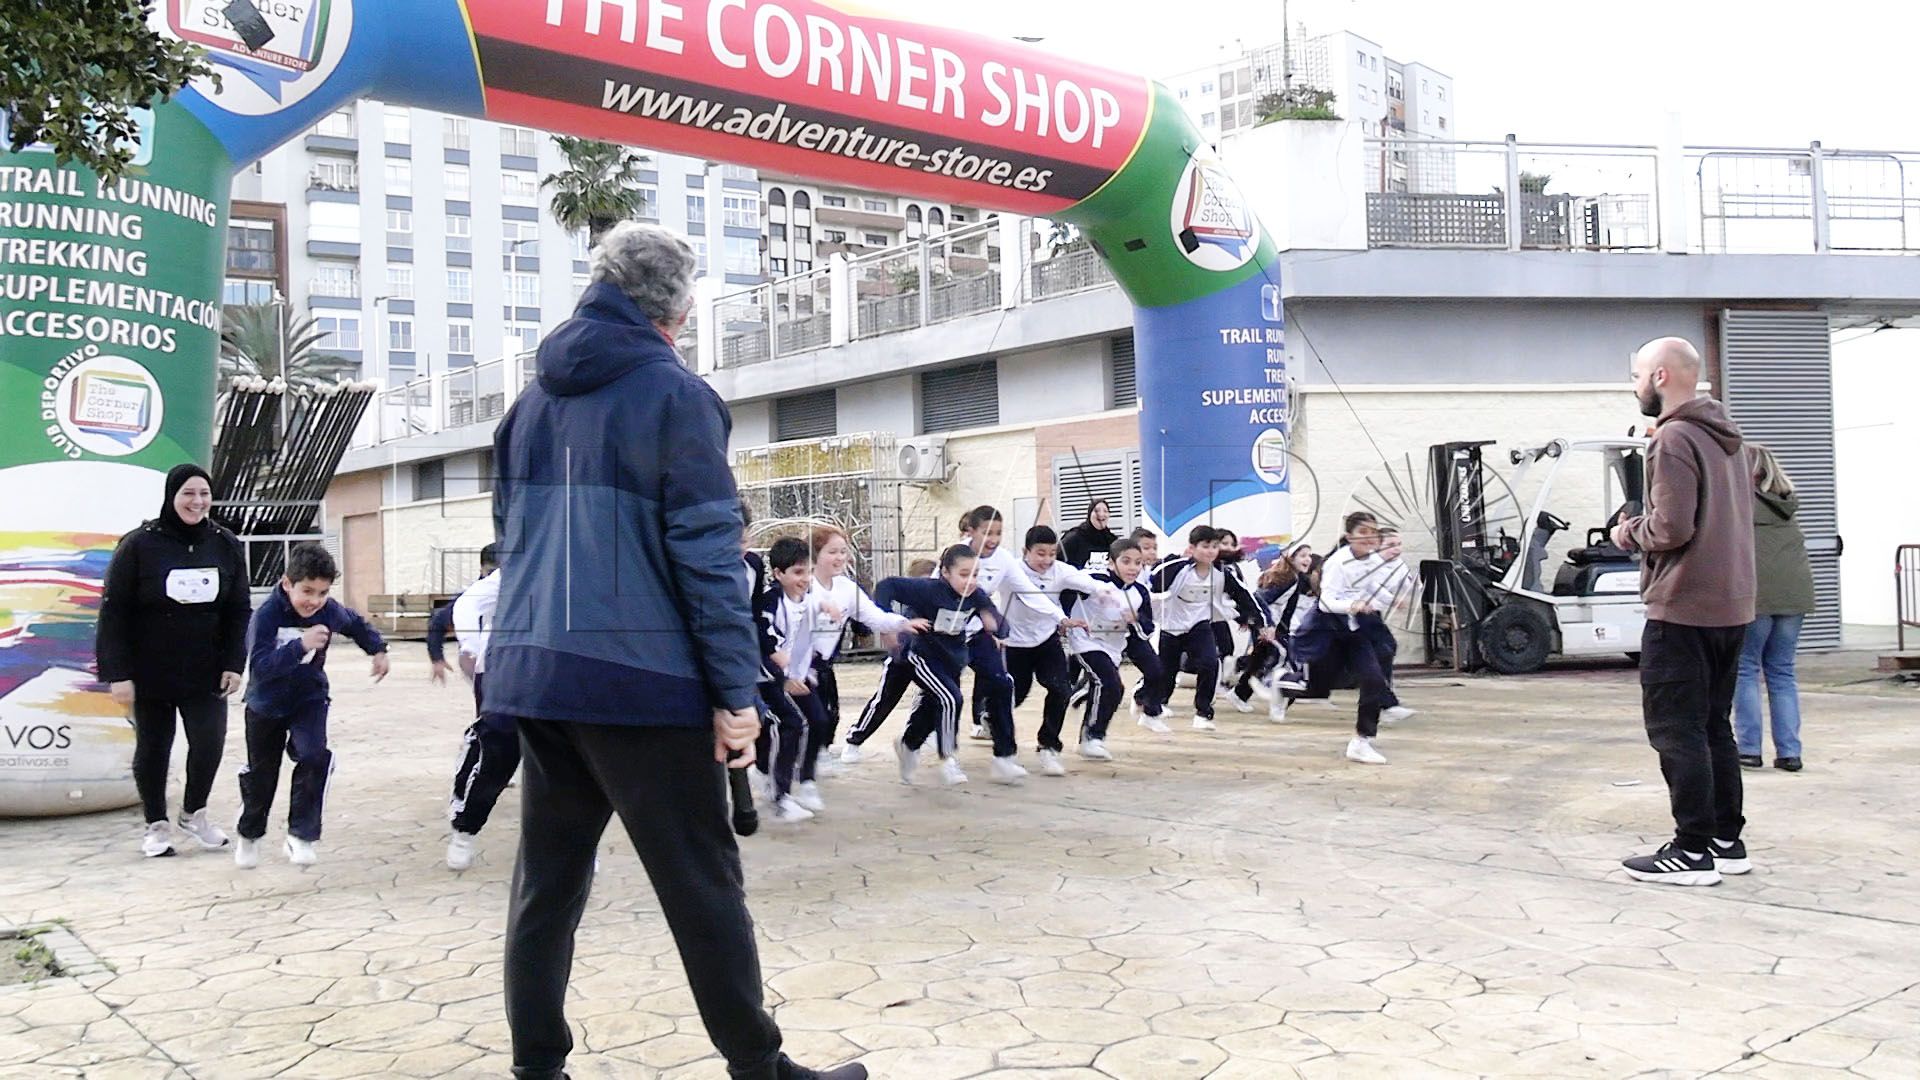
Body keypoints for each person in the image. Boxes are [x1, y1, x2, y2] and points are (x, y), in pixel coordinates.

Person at [485, 223, 865, 1080]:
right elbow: (708, 556)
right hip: (642, 679)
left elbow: (509, 540)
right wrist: (736, 693)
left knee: (546, 884)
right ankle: (759, 1068)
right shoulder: (676, 396)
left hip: (537, 672)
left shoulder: (528, 406)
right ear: (679, 311)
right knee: (702, 883)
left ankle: (537, 1068)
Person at [1610, 336, 1756, 887]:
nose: (1634, 386)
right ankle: (1725, 841)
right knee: (1714, 725)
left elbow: (1672, 527)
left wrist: (1628, 532)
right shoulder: (1727, 438)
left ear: (1661, 376)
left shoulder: (1673, 438)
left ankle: (1691, 850)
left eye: (1637, 375)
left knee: (1676, 729)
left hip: (1683, 606)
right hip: (1732, 605)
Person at [95, 463, 251, 858]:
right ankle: (156, 825)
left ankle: (194, 813)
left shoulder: (225, 543)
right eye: (188, 494)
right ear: (171, 496)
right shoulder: (139, 544)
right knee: (153, 748)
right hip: (151, 669)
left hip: (206, 669)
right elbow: (114, 611)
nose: (197, 502)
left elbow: (238, 609)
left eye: (204, 494)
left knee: (209, 742)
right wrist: (117, 673)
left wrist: (234, 663)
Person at [236, 543, 389, 868]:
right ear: (287, 584)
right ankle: (250, 832)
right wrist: (300, 645)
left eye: (322, 592)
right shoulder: (266, 616)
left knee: (314, 755)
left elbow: (354, 623)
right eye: (307, 591)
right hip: (265, 704)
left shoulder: (327, 610)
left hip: (309, 698)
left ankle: (300, 835)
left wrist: (377, 649)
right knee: (263, 776)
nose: (314, 601)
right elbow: (260, 666)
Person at [873, 545, 1005, 786]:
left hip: (950, 661)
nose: (970, 581)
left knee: (932, 706)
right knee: (951, 698)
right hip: (920, 655)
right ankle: (948, 758)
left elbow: (998, 621)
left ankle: (908, 744)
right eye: (964, 574)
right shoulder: (928, 590)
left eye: (975, 574)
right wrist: (888, 623)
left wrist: (994, 623)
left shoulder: (975, 595)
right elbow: (886, 586)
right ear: (945, 572)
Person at [1001, 525, 1118, 776]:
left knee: (1060, 689)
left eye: (1052, 554)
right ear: (1025, 551)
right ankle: (994, 725)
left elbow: (1087, 582)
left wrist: (1105, 592)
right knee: (1015, 695)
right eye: (1040, 553)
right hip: (1014, 643)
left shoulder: (1060, 571)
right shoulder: (1012, 571)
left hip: (1046, 640)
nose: (1047, 560)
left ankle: (1049, 747)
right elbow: (1028, 597)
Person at [808, 526, 915, 777]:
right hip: (794, 662)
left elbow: (874, 616)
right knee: (802, 716)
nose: (839, 558)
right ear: (815, 555)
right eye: (832, 552)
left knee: (829, 714)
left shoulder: (846, 588)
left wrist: (902, 624)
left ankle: (818, 755)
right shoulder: (805, 584)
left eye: (843, 551)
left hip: (823, 664)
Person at [1737, 444, 1813, 774]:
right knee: (1782, 672)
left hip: (1756, 596)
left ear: (1750, 471)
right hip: (1794, 597)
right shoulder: (1788, 505)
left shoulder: (1740, 504)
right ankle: (1790, 752)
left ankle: (1749, 749)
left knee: (1745, 669)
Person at [1147, 525, 1267, 732]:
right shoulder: (1175, 569)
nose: (1210, 551)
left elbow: (1243, 596)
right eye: (1205, 546)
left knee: (1210, 664)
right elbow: (1147, 586)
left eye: (1214, 546)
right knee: (1166, 670)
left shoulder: (1221, 573)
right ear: (1192, 548)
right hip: (1171, 626)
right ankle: (1158, 703)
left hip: (1199, 625)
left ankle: (1203, 714)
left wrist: (1257, 622)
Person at [446, 544, 511, 871]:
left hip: (561, 673)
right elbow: (468, 604)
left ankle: (581, 846)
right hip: (505, 670)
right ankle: (465, 828)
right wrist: (470, 646)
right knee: (497, 752)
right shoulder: (520, 567)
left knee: (573, 759)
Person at [1066, 537, 1158, 760]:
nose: (1133, 568)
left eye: (1137, 562)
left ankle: (1086, 708)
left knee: (1113, 688)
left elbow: (1148, 630)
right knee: (1110, 684)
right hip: (1085, 641)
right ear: (1111, 563)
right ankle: (1091, 738)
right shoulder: (1093, 580)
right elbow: (1064, 583)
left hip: (1114, 647)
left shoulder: (1140, 592)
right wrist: (1063, 619)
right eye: (1126, 561)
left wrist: (1136, 619)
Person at [1059, 498, 1119, 571]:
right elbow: (1057, 560)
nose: (1101, 514)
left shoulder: (1112, 541)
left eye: (1105, 511)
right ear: (1089, 514)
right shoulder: (1074, 537)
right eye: (1097, 511)